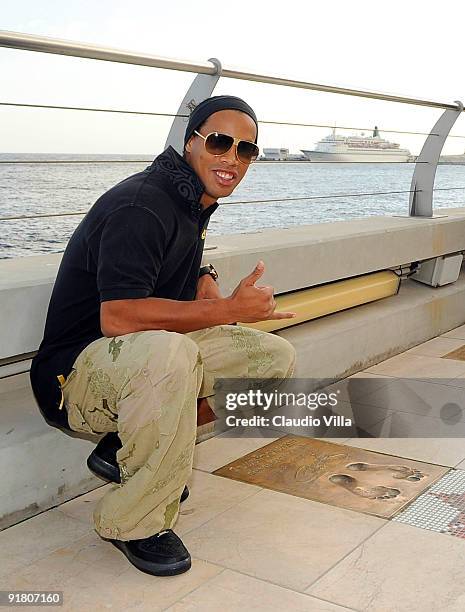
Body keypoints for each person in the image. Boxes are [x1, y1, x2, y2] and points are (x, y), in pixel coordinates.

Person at [30, 95, 297, 577]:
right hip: (73, 377)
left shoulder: (190, 199)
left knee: (271, 359)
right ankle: (132, 521)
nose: (232, 158)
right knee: (170, 351)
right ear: (191, 141)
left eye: (247, 151)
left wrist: (204, 277)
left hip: (135, 364)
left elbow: (168, 260)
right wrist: (227, 309)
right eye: (220, 142)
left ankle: (126, 447)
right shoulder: (142, 204)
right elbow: (119, 317)